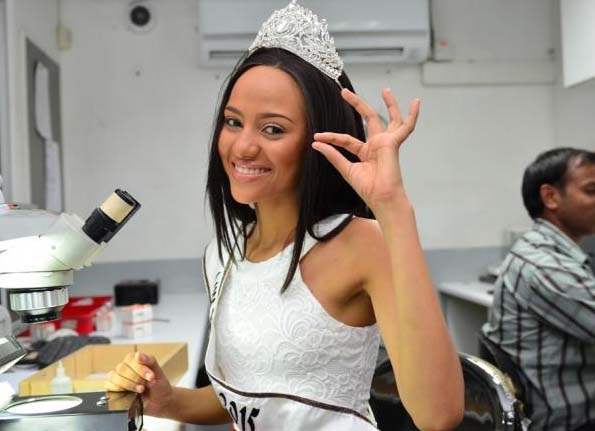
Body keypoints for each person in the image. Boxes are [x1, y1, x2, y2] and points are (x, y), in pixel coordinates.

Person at [106, 1, 464, 429]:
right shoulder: (223, 254)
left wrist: (393, 209)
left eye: (273, 129)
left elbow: (438, 415)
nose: (243, 147)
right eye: (233, 122)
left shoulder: (362, 244)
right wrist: (169, 401)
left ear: (320, 140)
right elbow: (247, 396)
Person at [482, 148, 595, 431]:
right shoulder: (544, 264)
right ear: (551, 197)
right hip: (570, 421)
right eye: (591, 190)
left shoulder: (540, 250)